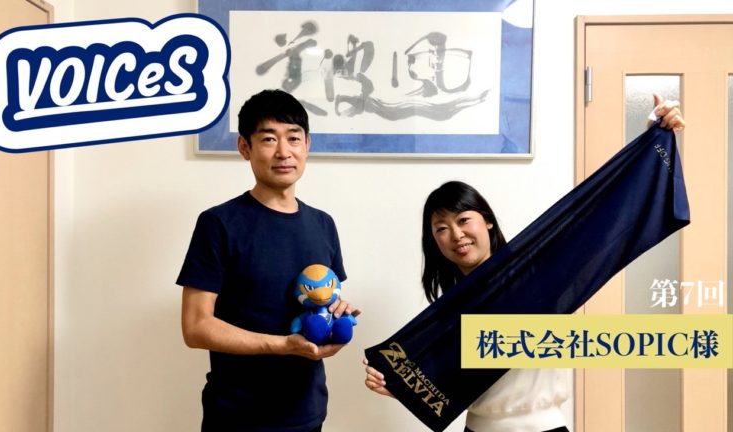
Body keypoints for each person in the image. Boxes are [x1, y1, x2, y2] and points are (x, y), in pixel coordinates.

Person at [363, 96, 685, 432]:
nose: (456, 234)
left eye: (463, 220)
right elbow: (445, 383)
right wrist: (401, 388)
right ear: (434, 241)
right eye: (441, 228)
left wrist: (652, 137)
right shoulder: (446, 313)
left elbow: (602, 223)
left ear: (487, 221)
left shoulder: (536, 275)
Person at [177, 89, 358, 432]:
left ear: (307, 145)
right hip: (236, 417)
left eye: (294, 138)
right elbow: (196, 327)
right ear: (244, 147)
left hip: (307, 413)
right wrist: (283, 346)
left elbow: (319, 304)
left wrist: (338, 316)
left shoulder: (323, 224)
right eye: (269, 139)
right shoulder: (218, 224)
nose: (283, 151)